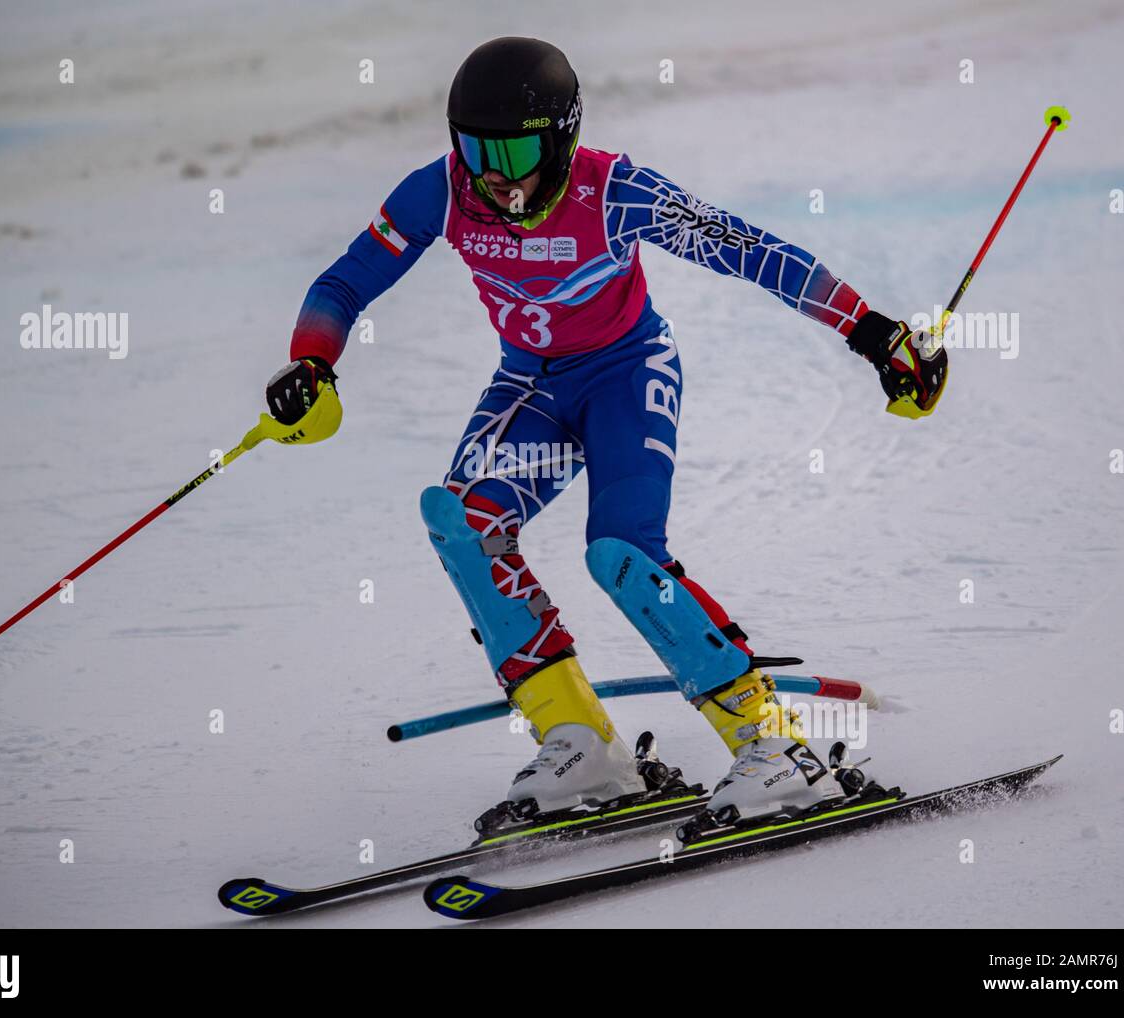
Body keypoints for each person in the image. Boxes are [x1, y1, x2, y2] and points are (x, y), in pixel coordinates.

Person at [265, 37, 946, 834]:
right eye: (476, 149)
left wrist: (870, 331)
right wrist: (311, 363)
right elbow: (345, 280)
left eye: (516, 149)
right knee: (463, 520)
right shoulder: (442, 193)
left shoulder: (615, 191)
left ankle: (774, 747)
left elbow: (749, 250)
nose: (495, 173)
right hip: (532, 387)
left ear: (561, 138)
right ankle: (580, 737)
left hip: (627, 378)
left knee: (619, 553)